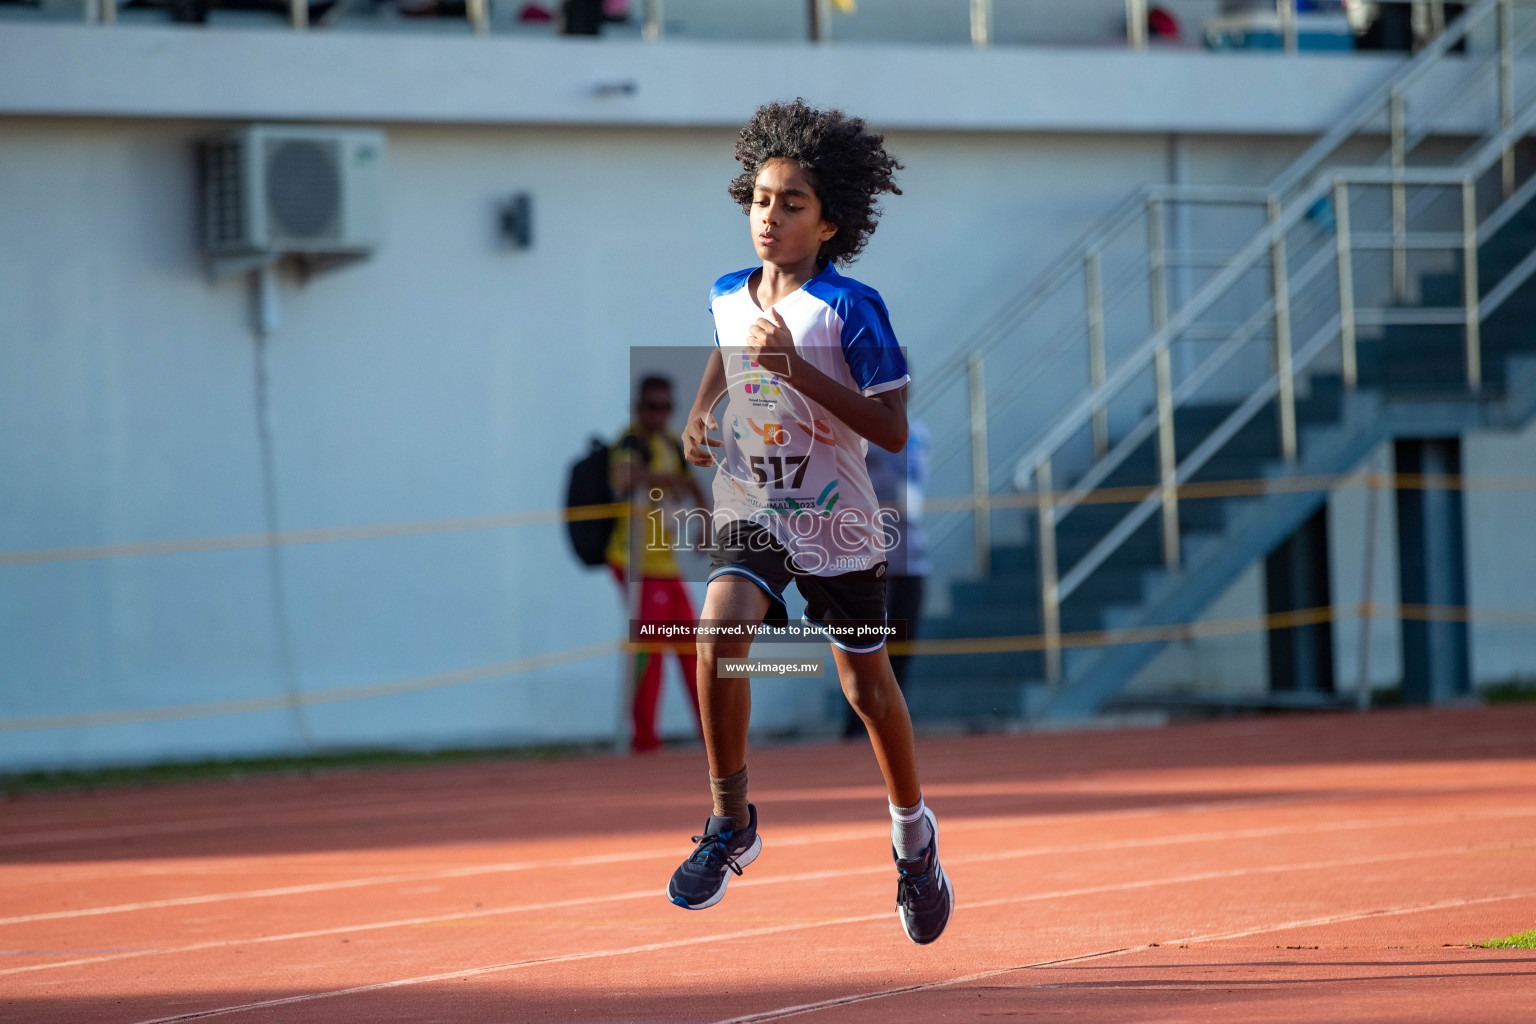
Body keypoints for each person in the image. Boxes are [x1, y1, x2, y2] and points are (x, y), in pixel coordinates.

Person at [664, 99, 953, 945]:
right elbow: (730, 341)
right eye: (760, 198)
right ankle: (730, 821)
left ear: (830, 224)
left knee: (867, 688)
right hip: (757, 501)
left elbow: (892, 427)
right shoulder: (727, 290)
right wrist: (704, 406)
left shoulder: (853, 308)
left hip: (835, 518)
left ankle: (914, 839)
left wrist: (797, 370)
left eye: (793, 203)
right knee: (717, 636)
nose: (770, 215)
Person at [606, 375, 709, 753]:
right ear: (638, 407)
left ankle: (712, 734)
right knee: (649, 649)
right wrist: (670, 481)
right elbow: (625, 475)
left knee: (694, 647)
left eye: (665, 407)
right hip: (634, 563)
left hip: (664, 562)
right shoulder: (630, 441)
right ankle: (645, 740)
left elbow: (692, 482)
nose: (659, 414)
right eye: (652, 407)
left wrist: (706, 521)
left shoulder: (667, 442)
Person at [844, 409, 931, 738]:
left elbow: (913, 499)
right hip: (868, 562)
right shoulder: (854, 431)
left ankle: (893, 730)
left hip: (910, 558)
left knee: (900, 652)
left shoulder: (916, 433)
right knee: (865, 652)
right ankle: (856, 730)